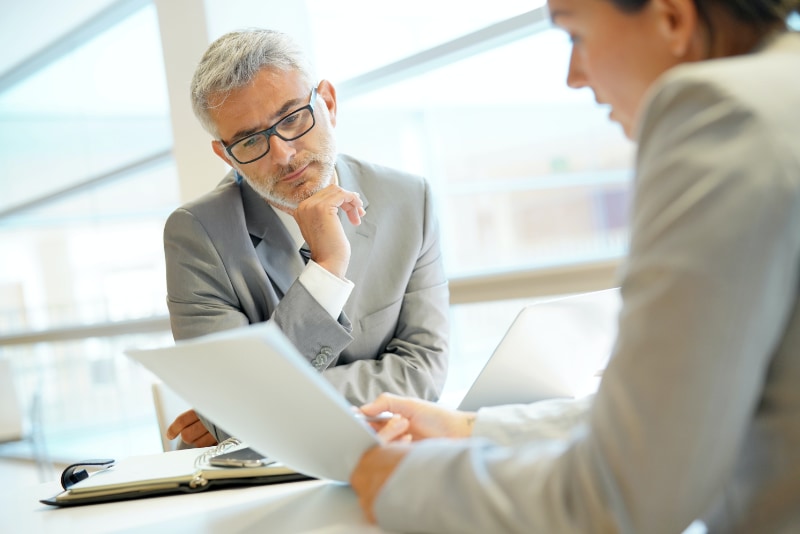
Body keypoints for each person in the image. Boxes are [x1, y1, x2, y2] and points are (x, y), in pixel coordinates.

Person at [350, 1, 800, 532]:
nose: (573, 77)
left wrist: (399, 483)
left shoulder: (723, 113)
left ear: (673, 19)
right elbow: (671, 414)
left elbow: (624, 494)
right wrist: (472, 429)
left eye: (575, 36)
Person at [163, 29, 449, 447]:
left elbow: (425, 370)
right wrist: (326, 271)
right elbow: (235, 414)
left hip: (395, 455)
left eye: (293, 117)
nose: (282, 153)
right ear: (227, 155)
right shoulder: (195, 235)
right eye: (248, 140)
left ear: (328, 103)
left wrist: (258, 406)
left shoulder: (410, 200)